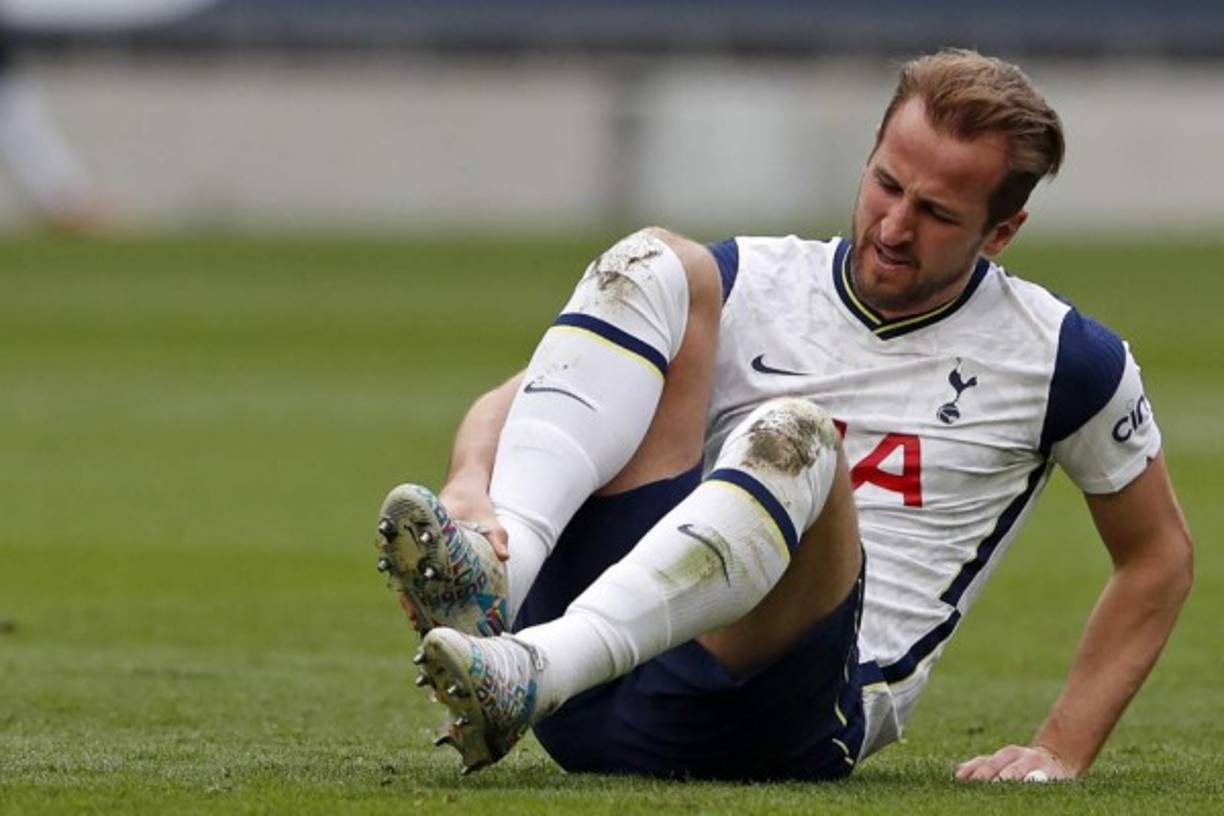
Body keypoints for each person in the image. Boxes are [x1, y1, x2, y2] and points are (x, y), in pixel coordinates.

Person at [371, 48, 1193, 782]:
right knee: (654, 262)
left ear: (1002, 231)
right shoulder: (752, 280)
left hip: (783, 712)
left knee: (797, 437)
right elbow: (525, 394)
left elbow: (1158, 556)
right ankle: (499, 591)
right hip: (591, 684)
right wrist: (472, 486)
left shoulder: (1062, 358)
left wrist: (1062, 747)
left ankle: (531, 667)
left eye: (938, 214)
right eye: (886, 184)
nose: (895, 227)